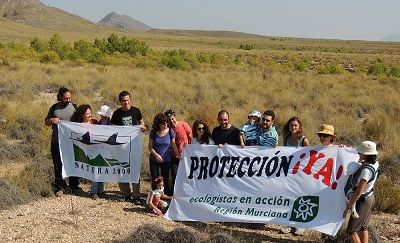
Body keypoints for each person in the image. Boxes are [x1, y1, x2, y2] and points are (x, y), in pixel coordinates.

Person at [110, 91, 145, 205]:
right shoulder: (116, 114)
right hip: (121, 147)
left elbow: (141, 120)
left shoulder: (136, 111)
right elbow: (112, 128)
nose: (126, 102)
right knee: (122, 169)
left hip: (134, 145)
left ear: (130, 99)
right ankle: (125, 194)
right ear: (120, 101)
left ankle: (136, 195)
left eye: (127, 100)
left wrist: (142, 126)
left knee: (134, 169)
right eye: (123, 100)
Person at [45, 87, 80, 197]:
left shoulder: (74, 107)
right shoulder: (54, 108)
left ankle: (74, 186)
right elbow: (46, 121)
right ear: (60, 97)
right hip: (56, 141)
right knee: (58, 164)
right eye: (66, 98)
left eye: (69, 98)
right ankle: (59, 187)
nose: (68, 100)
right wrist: (51, 120)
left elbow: (79, 122)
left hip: (71, 141)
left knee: (73, 162)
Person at [343, 141, 379, 243]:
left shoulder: (365, 171)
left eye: (360, 152)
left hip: (363, 201)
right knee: (363, 227)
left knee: (351, 230)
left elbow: (358, 192)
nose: (358, 154)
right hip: (370, 197)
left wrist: (348, 207)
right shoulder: (375, 163)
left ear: (366, 155)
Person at [281, 116, 309, 235]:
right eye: (291, 125)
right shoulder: (286, 138)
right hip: (289, 172)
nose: (293, 127)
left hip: (301, 173)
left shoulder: (303, 140)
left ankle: (300, 225)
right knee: (289, 198)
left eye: (296, 126)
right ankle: (288, 225)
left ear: (299, 127)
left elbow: (309, 156)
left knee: (300, 198)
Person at [148, 113, 178, 195]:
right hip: (154, 159)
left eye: (166, 123)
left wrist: (178, 154)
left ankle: (165, 196)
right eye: (163, 123)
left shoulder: (170, 131)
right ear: (158, 124)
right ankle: (154, 197)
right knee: (155, 179)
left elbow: (173, 144)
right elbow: (150, 147)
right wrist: (156, 155)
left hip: (166, 159)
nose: (165, 125)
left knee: (165, 179)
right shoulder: (153, 132)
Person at [164, 109, 192, 195]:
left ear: (175, 117)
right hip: (174, 156)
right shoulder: (167, 130)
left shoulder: (183, 124)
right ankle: (176, 193)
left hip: (186, 155)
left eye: (172, 118)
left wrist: (190, 149)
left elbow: (190, 136)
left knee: (187, 175)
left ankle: (187, 192)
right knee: (175, 174)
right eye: (169, 120)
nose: (171, 121)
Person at [89, 105, 112, 200]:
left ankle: (97, 191)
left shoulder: (102, 123)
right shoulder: (107, 123)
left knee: (98, 170)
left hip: (100, 148)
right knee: (99, 170)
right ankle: (98, 191)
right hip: (103, 148)